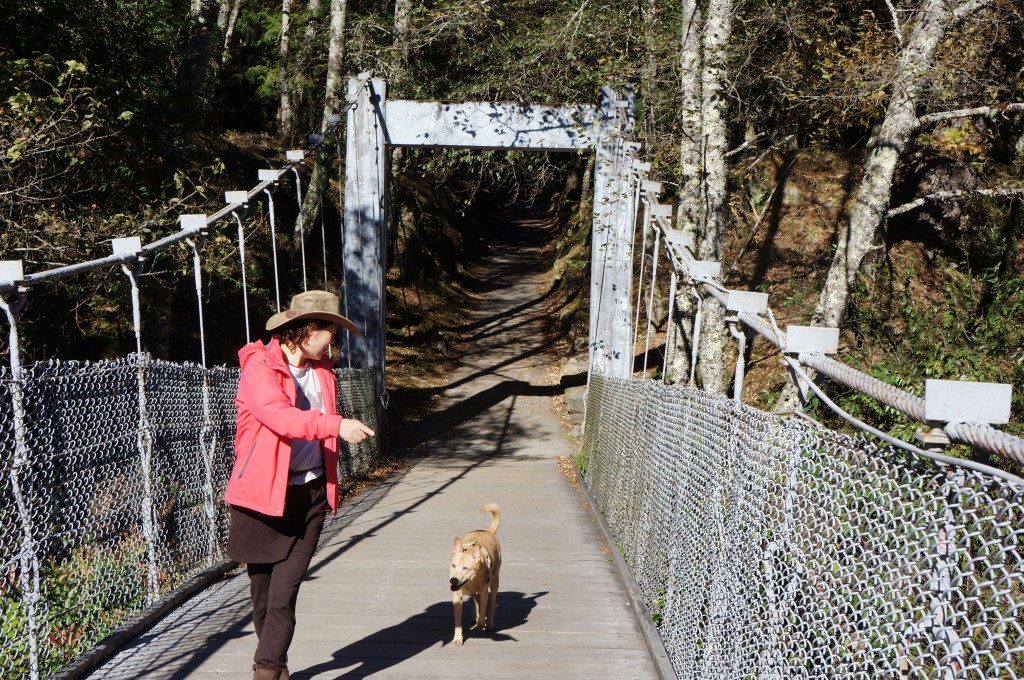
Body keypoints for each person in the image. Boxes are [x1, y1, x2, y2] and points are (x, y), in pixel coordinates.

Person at [223, 290, 375, 680]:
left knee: (283, 595)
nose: (335, 339)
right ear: (308, 330)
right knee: (262, 598)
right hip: (262, 497)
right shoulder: (259, 369)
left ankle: (267, 670)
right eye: (331, 330)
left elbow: (315, 428)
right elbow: (281, 417)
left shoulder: (323, 371)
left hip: (309, 495)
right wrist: (337, 425)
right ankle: (277, 664)